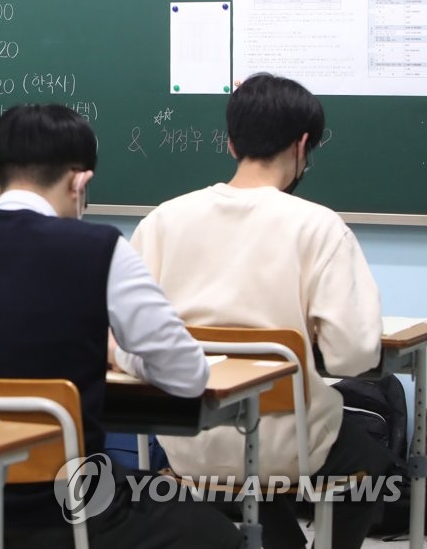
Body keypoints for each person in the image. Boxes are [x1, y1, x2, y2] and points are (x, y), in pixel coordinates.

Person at [0, 104, 243, 548]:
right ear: (80, 181)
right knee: (219, 534)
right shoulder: (100, 248)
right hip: (68, 510)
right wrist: (117, 352)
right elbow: (188, 376)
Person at [131, 73, 392, 549]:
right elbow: (354, 355)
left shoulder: (162, 221)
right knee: (371, 461)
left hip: (187, 440)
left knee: (251, 462)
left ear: (231, 143)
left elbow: (129, 334)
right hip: (291, 446)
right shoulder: (319, 227)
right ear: (303, 145)